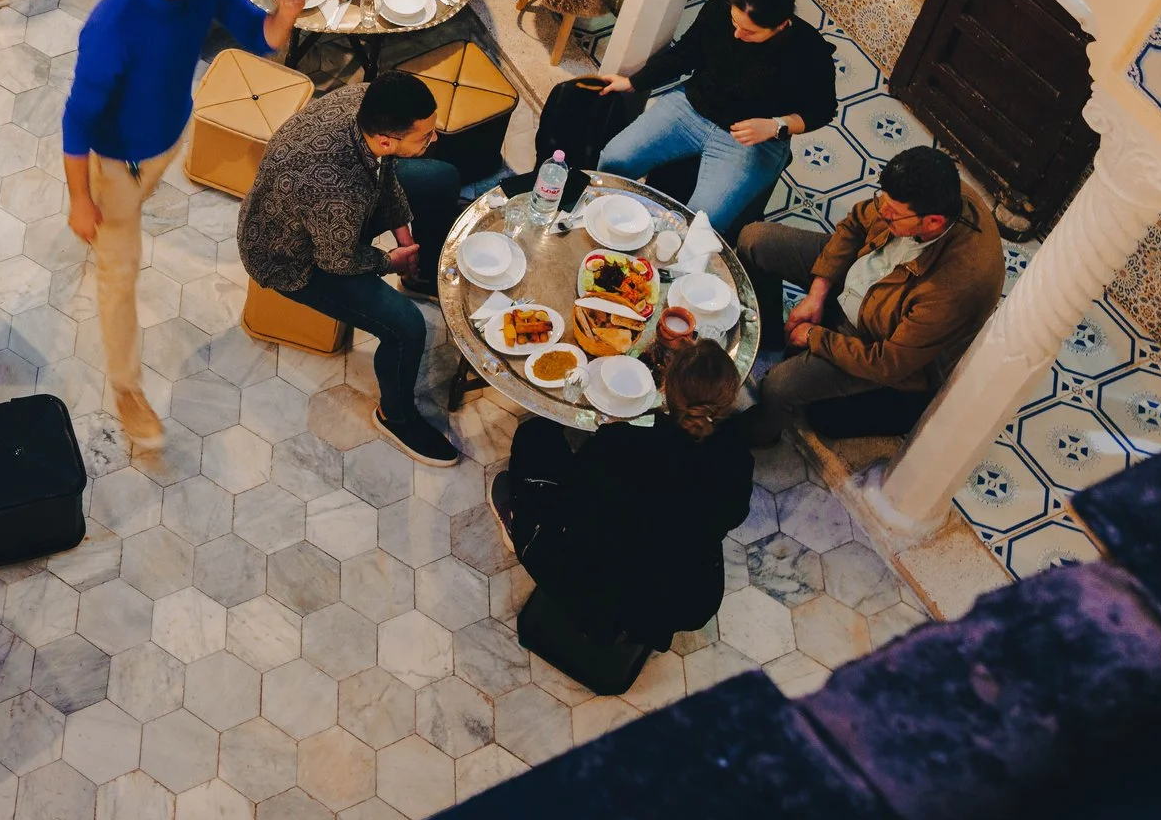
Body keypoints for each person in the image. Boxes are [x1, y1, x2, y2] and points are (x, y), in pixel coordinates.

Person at [63, 0, 308, 447]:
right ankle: (128, 391)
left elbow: (258, 35)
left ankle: (104, 239)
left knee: (117, 241)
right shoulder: (110, 29)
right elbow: (76, 122)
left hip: (169, 137)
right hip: (117, 165)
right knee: (119, 275)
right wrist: (81, 199)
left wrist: (286, 11)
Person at [238, 73, 467, 466]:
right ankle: (396, 416)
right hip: (291, 257)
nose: (434, 140)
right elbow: (337, 260)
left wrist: (403, 234)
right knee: (406, 327)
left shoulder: (366, 102)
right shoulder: (336, 190)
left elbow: (384, 170)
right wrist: (389, 260)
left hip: (327, 217)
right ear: (386, 140)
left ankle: (420, 275)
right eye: (425, 137)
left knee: (442, 179)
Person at [734, 145, 1005, 446]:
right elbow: (856, 223)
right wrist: (818, 292)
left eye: (893, 217)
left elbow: (888, 362)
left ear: (933, 223)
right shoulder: (921, 192)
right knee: (754, 240)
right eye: (882, 201)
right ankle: (769, 333)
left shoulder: (952, 289)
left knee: (779, 385)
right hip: (861, 272)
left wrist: (813, 336)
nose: (882, 212)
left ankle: (756, 434)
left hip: (879, 338)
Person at [490, 340, 752, 645]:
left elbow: (574, 498)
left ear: (665, 388)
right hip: (688, 597)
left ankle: (519, 529)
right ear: (730, 399)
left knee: (534, 437)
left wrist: (611, 431)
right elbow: (732, 515)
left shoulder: (623, 443)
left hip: (604, 584)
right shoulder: (737, 459)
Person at [592, 0, 837, 228]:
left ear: (781, 26)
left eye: (750, 32)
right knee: (614, 160)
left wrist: (776, 125)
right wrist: (634, 82)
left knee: (702, 221)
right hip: (692, 108)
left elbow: (823, 109)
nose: (737, 35)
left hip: (749, 140)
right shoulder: (722, 6)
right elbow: (687, 53)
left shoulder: (810, 50)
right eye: (735, 23)